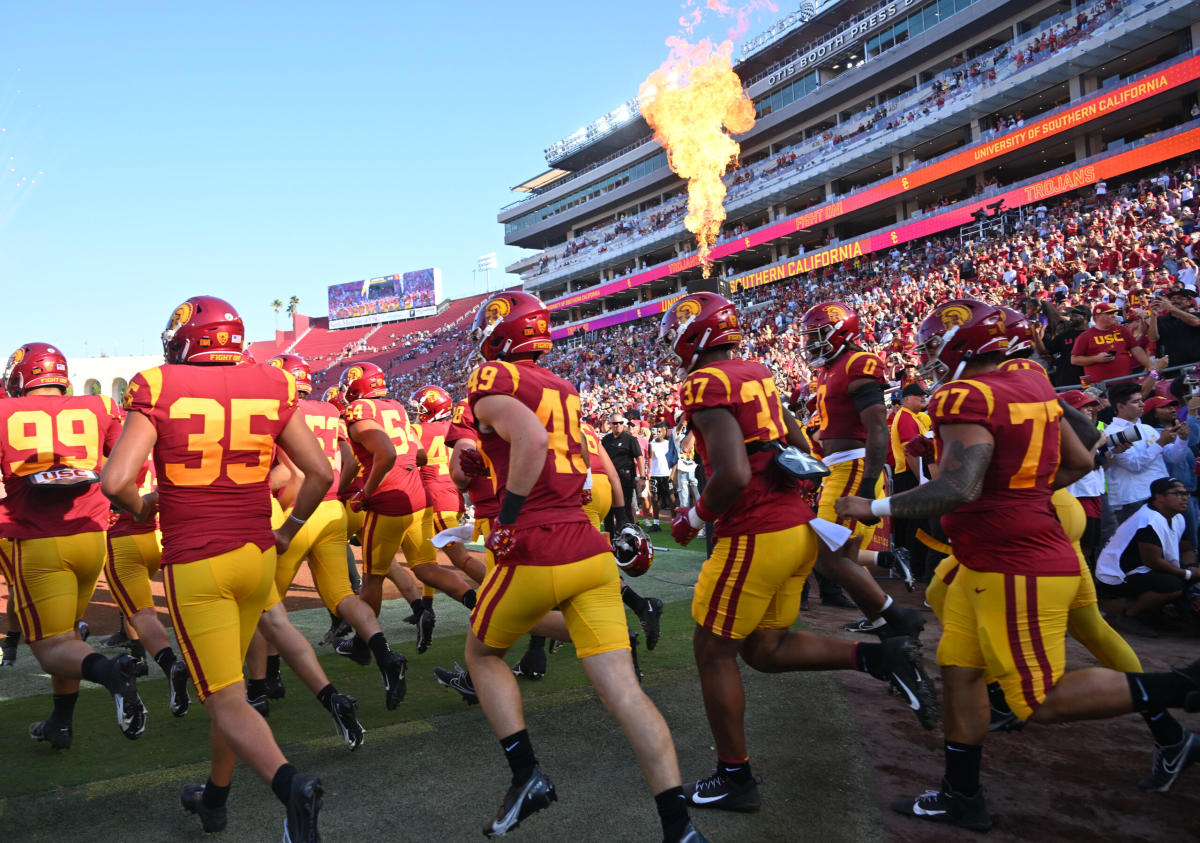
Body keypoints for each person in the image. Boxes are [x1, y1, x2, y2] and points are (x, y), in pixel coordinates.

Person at [836, 299, 1200, 831]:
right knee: (960, 673)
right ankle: (962, 794)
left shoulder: (966, 394)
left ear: (965, 347)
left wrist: (873, 506)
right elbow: (1078, 461)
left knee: (1038, 699)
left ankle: (1180, 688)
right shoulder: (1030, 379)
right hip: (992, 555)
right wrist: (1017, 493)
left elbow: (959, 485)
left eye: (936, 347)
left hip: (1014, 561)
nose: (930, 360)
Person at [660, 293, 937, 814]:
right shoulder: (756, 371)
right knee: (765, 649)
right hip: (794, 528)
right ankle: (880, 656)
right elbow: (794, 440)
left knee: (712, 652)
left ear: (693, 333)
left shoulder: (705, 382)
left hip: (755, 532)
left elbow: (734, 473)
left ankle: (735, 777)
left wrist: (693, 517)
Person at [463, 291, 705, 843]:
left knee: (482, 654)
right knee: (624, 693)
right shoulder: (563, 387)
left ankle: (526, 776)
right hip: (588, 547)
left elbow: (529, 436)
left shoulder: (492, 379)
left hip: (537, 542)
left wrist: (507, 517)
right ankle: (679, 827)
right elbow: (541, 444)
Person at [102, 296, 328, 840]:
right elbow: (318, 473)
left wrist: (141, 508)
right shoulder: (274, 382)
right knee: (227, 688)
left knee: (224, 696)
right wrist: (287, 530)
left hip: (198, 559)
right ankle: (216, 799)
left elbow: (114, 484)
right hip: (258, 555)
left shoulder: (157, 385)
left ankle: (290, 786)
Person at [1, 342, 147, 750]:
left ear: (20, 376)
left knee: (50, 649)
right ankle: (60, 723)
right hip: (90, 536)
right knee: (66, 636)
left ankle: (112, 671)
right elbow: (126, 463)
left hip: (38, 539)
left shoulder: (3, 411)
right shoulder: (99, 405)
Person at [256, 353, 404, 731]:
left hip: (295, 512)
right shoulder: (328, 409)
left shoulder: (279, 406)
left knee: (266, 603)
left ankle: (268, 678)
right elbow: (349, 463)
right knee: (342, 594)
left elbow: (283, 472)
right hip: (332, 510)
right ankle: (385, 656)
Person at [799, 301, 919, 625]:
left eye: (818, 335)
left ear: (840, 331)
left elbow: (878, 428)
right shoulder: (828, 368)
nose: (811, 343)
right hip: (837, 468)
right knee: (841, 556)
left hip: (853, 467)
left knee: (830, 555)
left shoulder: (859, 363)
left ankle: (891, 617)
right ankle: (881, 617)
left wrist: (866, 487)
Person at [336, 360, 427, 697]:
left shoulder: (359, 409)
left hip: (387, 499)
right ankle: (418, 611)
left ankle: (365, 643)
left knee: (373, 577)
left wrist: (366, 491)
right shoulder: (397, 407)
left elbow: (385, 453)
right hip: (413, 495)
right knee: (399, 567)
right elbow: (418, 454)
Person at [103, 454, 192, 717]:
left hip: (122, 540)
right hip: (155, 536)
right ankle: (140, 658)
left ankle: (168, 664)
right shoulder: (152, 450)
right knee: (141, 607)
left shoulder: (111, 455)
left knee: (142, 613)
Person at [1096, 477, 1198, 637]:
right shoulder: (1149, 519)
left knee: (1184, 577)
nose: (1184, 497)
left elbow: (1185, 549)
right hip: (1116, 577)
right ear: (1159, 497)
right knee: (1173, 585)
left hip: (1143, 571)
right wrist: (1188, 574)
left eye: (1185, 494)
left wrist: (1191, 566)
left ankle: (1156, 615)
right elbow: (1152, 561)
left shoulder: (1177, 517)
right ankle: (1130, 615)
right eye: (1177, 493)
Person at [1104, 382, 1187, 524]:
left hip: (1158, 495)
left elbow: (1174, 458)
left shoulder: (1146, 428)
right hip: (1133, 498)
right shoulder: (1111, 433)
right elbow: (1134, 465)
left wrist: (1182, 439)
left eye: (1142, 400)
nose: (1142, 404)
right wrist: (1160, 443)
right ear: (1120, 406)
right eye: (1136, 402)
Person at [888, 383, 932, 579]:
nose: (923, 397)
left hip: (909, 474)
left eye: (924, 395)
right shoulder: (905, 417)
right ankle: (913, 568)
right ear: (907, 399)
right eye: (918, 395)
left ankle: (911, 566)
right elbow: (910, 451)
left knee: (912, 523)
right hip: (907, 475)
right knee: (915, 523)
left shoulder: (913, 417)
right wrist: (921, 480)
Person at [1070, 301, 1154, 385]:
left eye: (1114, 313)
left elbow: (1136, 349)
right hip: (1101, 387)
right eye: (1109, 313)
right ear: (1098, 316)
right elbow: (1074, 359)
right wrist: (1096, 359)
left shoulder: (1122, 330)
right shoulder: (1086, 336)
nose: (1114, 315)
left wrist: (1150, 366)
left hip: (1126, 383)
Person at [600, 415, 642, 533]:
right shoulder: (606, 439)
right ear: (610, 425)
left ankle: (628, 538)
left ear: (623, 424)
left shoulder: (630, 439)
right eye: (615, 423)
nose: (617, 425)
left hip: (625, 478)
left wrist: (642, 477)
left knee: (625, 509)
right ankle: (611, 540)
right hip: (608, 479)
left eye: (620, 422)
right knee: (608, 510)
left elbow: (639, 458)